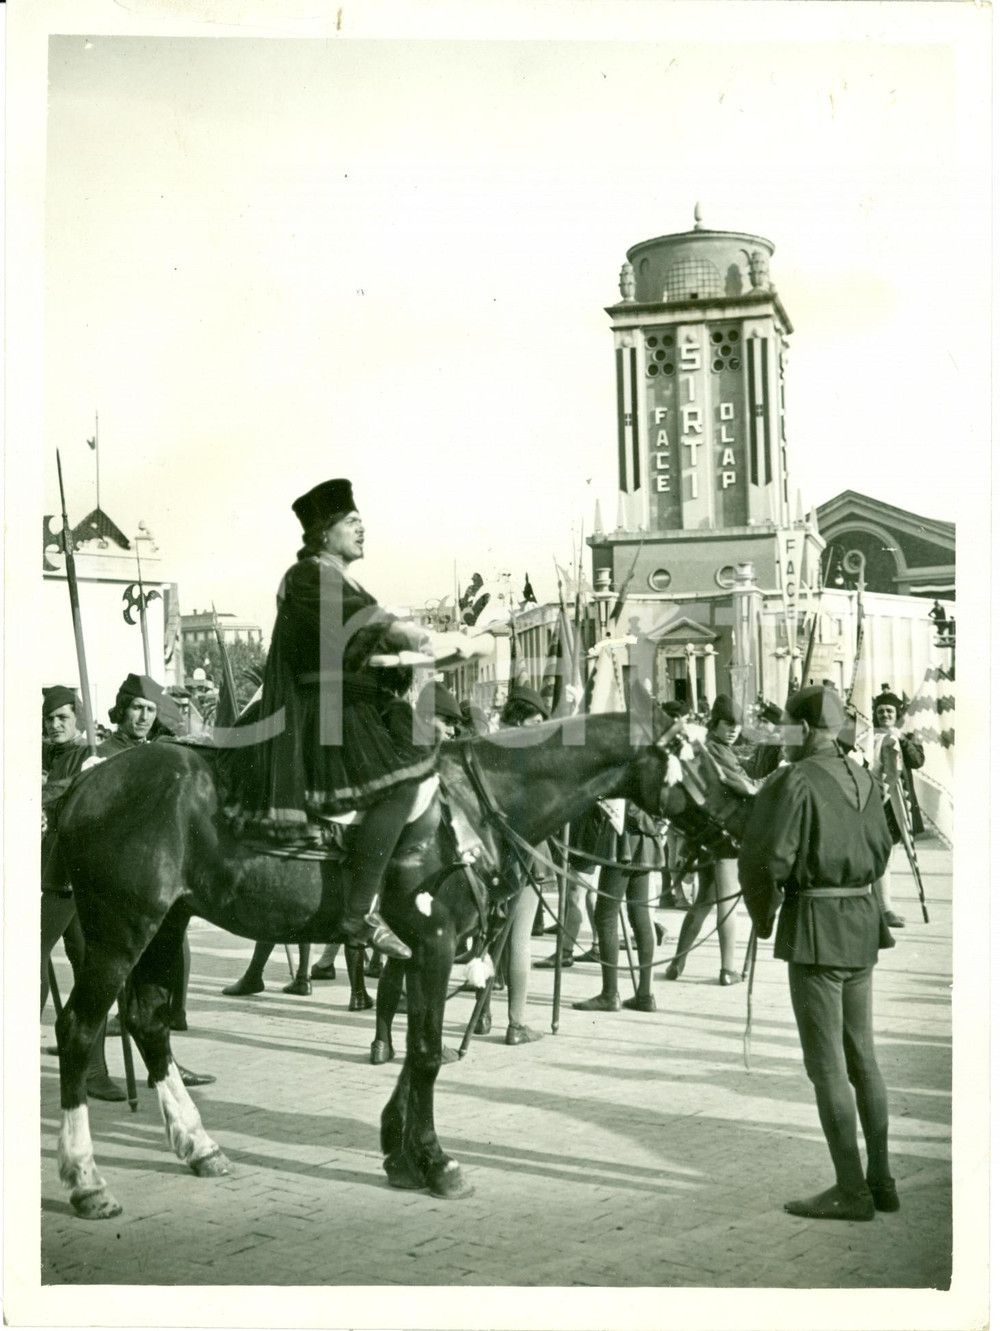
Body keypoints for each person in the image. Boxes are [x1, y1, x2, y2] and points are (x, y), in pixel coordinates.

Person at [225, 479, 480, 961]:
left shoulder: (339, 576)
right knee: (404, 782)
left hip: (353, 707)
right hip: (326, 715)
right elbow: (369, 629)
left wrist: (444, 647)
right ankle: (359, 911)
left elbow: (371, 641)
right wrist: (434, 641)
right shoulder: (308, 577)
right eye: (350, 522)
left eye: (361, 522)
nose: (362, 529)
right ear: (324, 532)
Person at [739, 685, 897, 1222]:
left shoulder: (795, 780)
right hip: (861, 922)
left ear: (805, 730)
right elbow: (882, 849)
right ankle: (881, 1179)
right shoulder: (865, 776)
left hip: (816, 927)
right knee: (864, 1058)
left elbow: (767, 859)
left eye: (785, 726)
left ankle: (850, 1192)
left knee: (826, 1066)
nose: (781, 736)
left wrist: (762, 915)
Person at [96, 674, 215, 1088]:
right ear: (121, 709)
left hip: (153, 880)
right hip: (110, 876)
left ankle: (163, 1064)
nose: (143, 717)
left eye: (150, 711)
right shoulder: (101, 756)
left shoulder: (162, 754)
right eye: (137, 709)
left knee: (162, 962)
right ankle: (94, 1068)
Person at [40, 686, 126, 1101]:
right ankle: (91, 1066)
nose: (54, 726)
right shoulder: (38, 753)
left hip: (68, 875)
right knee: (84, 966)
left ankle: (94, 1068)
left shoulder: (88, 752)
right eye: (49, 718)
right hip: (40, 873)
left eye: (62, 718)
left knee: (44, 959)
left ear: (79, 719)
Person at [664, 695, 760, 985]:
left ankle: (676, 963)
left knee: (704, 901)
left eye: (737, 725)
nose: (733, 730)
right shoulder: (715, 751)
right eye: (727, 724)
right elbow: (745, 787)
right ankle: (728, 969)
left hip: (706, 835)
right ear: (715, 724)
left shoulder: (712, 748)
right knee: (727, 902)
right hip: (725, 836)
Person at [494, 684, 551, 1045]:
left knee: (489, 937)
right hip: (525, 853)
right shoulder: (531, 756)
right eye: (535, 719)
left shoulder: (490, 749)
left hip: (490, 853)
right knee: (519, 940)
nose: (540, 725)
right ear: (518, 719)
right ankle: (516, 1023)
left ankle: (483, 1016)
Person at [571, 802, 665, 1013]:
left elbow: (627, 806)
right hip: (644, 842)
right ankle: (645, 995)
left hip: (624, 841)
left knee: (605, 917)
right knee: (640, 915)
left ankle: (609, 994)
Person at [869, 690, 924, 929]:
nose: (885, 715)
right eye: (881, 711)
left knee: (886, 857)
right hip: (869, 801)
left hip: (895, 805)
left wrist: (901, 739)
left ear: (897, 714)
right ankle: (879, 909)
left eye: (889, 711)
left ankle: (882, 909)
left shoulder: (905, 736)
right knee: (874, 857)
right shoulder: (867, 736)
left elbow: (918, 761)